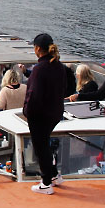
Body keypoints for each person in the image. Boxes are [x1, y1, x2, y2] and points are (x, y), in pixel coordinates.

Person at [24, 33, 66, 195]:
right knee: (45, 145)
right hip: (55, 112)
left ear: (37, 49)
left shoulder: (39, 69)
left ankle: (46, 183)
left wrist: (27, 111)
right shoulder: (59, 66)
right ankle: (54, 175)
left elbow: (33, 94)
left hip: (39, 115)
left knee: (40, 147)